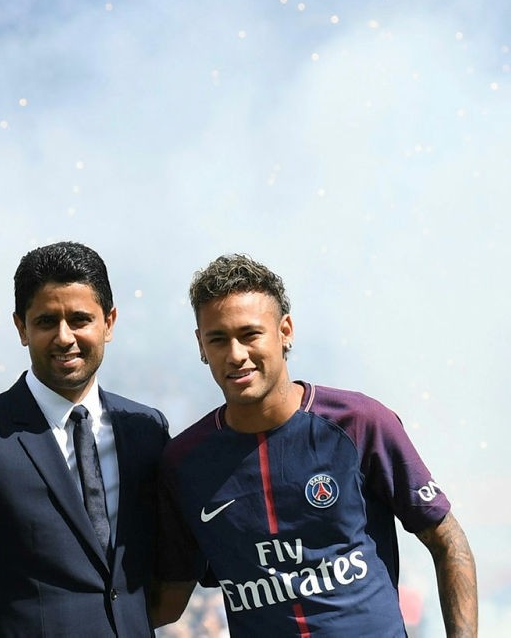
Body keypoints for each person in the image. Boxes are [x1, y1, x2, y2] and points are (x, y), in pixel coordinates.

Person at [154, 254, 477, 636]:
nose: (236, 354)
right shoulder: (184, 463)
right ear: (201, 346)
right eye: (218, 339)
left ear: (285, 330)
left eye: (250, 334)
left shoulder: (358, 422)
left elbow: (446, 539)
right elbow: (170, 598)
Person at [0, 241, 171, 637]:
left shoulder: (146, 430)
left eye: (80, 319)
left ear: (110, 322)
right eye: (47, 321)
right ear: (21, 327)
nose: (65, 337)